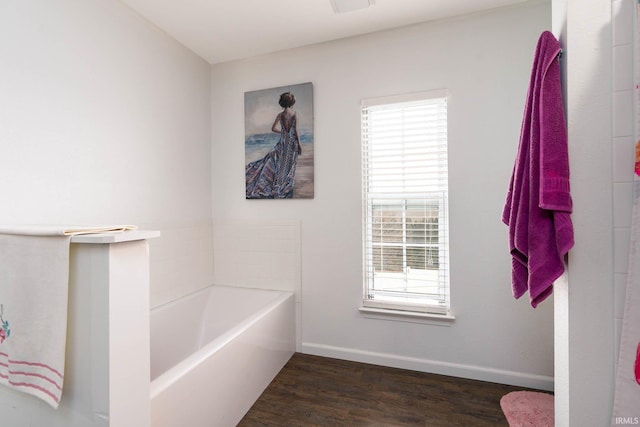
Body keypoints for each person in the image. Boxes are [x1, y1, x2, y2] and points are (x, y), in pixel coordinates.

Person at [246, 91, 301, 198]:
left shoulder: (280, 115)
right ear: (292, 102)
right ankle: (285, 183)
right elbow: (295, 131)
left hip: (283, 142)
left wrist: (283, 132)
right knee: (289, 164)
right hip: (291, 143)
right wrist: (299, 144)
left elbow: (273, 128)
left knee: (280, 164)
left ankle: (278, 183)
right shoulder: (294, 114)